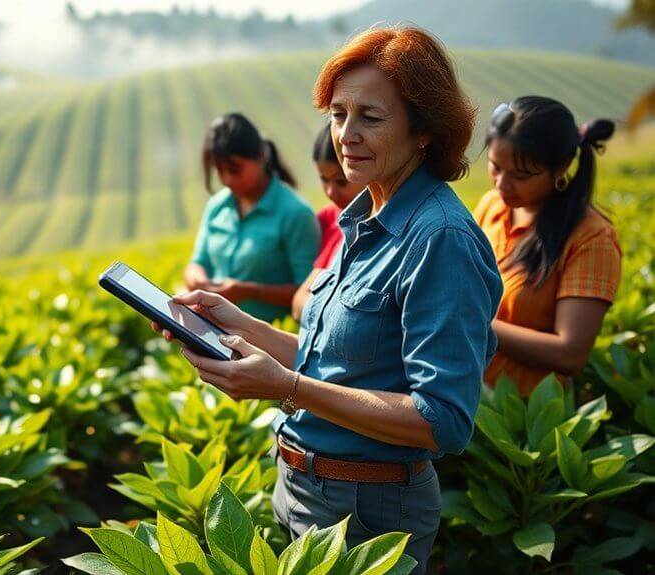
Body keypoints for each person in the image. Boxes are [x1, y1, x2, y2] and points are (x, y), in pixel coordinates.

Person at [156, 27, 501, 574]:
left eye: (371, 117)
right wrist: (241, 326)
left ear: (424, 132)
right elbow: (339, 362)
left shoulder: (439, 239)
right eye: (338, 114)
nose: (346, 135)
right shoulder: (366, 217)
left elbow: (443, 420)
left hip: (367, 513)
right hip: (305, 488)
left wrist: (286, 388)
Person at [474, 97, 621, 395]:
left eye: (521, 175)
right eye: (495, 167)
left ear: (561, 167)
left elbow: (569, 353)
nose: (502, 184)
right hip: (464, 390)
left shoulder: (591, 238)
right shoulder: (492, 206)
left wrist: (473, 323)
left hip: (524, 414)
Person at [185, 112, 320, 323]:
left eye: (235, 169)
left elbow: (310, 292)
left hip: (270, 343)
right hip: (216, 335)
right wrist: (197, 280)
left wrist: (249, 291)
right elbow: (197, 262)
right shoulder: (217, 207)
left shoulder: (295, 213)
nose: (227, 179)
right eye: (220, 171)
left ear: (260, 156)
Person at [292, 123, 365, 320]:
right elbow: (298, 302)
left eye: (341, 181)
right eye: (324, 180)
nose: (331, 192)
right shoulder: (326, 219)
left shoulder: (363, 224)